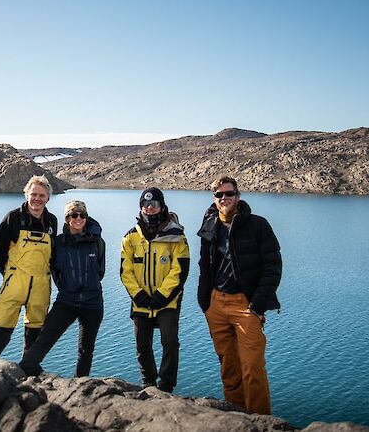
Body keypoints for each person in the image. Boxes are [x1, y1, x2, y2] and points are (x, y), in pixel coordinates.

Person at [197, 176, 282, 415]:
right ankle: (236, 418)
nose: (224, 198)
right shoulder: (210, 224)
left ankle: (260, 421)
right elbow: (205, 265)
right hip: (216, 304)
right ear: (214, 199)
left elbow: (273, 267)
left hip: (246, 306)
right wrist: (204, 301)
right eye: (219, 195)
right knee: (229, 368)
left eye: (229, 193)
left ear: (238, 196)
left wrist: (257, 305)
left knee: (252, 368)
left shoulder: (257, 225)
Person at [0, 175, 57, 358]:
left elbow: (53, 255)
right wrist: (9, 274)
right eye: (33, 194)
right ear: (26, 194)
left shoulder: (51, 221)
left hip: (41, 286)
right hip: (15, 283)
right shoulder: (13, 218)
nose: (37, 199)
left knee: (36, 330)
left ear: (48, 198)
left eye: (42, 195)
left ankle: (30, 369)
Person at [19, 200, 105, 377]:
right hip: (67, 301)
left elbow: (100, 269)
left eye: (82, 215)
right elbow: (54, 270)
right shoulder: (58, 243)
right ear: (67, 218)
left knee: (86, 349)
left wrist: (88, 286)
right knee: (45, 339)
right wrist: (68, 288)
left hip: (93, 302)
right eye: (74, 215)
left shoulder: (97, 242)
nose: (78, 218)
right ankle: (24, 371)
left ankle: (80, 385)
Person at [120, 187, 190, 393]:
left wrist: (162, 295)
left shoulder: (176, 235)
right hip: (140, 302)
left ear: (162, 207)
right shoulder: (131, 237)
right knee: (142, 346)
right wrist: (139, 295)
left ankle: (166, 385)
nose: (149, 208)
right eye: (146, 205)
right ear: (141, 207)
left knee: (170, 342)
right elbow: (126, 270)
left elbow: (180, 269)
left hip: (168, 301)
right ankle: (149, 383)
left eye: (154, 204)